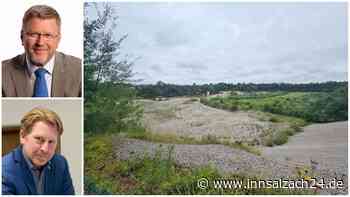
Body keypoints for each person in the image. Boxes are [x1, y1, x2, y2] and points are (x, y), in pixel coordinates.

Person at [2, 5, 81, 97]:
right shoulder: (3, 73)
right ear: (22, 37)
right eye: (33, 34)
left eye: (48, 35)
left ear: (58, 39)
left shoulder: (79, 71)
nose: (40, 42)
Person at [2, 107, 75, 195]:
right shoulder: (4, 171)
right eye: (39, 139)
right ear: (22, 136)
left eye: (51, 142)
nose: (45, 149)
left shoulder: (61, 164)